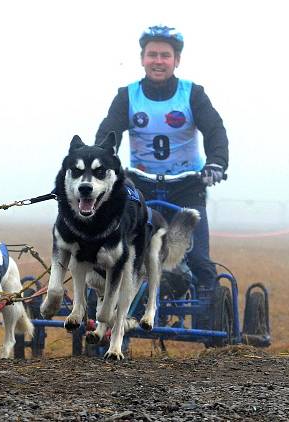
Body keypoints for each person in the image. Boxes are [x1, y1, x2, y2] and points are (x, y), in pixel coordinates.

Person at [94, 24, 229, 305]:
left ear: (176, 60)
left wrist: (216, 162)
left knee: (199, 259)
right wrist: (102, 162)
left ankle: (211, 319)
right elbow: (110, 132)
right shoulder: (127, 96)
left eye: (165, 55)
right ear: (142, 58)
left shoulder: (192, 94)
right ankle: (105, 304)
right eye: (152, 54)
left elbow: (215, 130)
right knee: (119, 249)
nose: (158, 61)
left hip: (188, 186)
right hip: (139, 185)